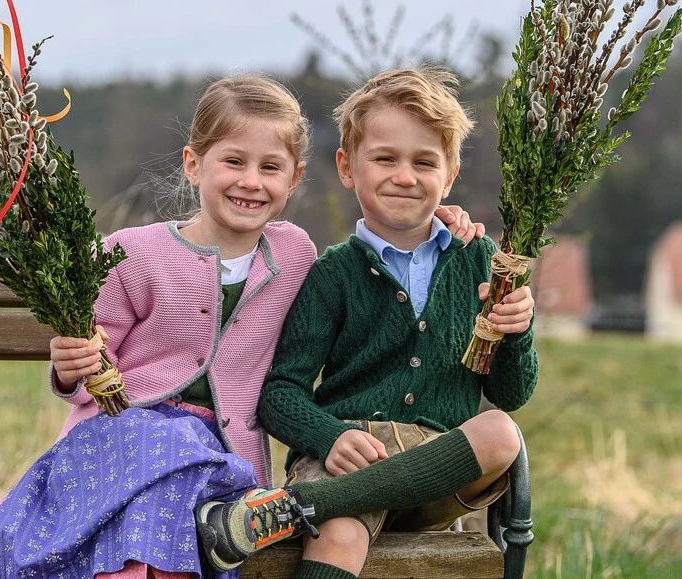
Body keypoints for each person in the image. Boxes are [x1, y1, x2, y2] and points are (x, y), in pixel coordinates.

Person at [0, 72, 488, 579]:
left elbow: (393, 237)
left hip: (227, 456)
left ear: (295, 178)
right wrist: (69, 368)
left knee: (193, 483)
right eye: (233, 162)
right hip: (124, 435)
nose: (251, 182)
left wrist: (441, 216)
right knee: (166, 452)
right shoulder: (129, 255)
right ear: (194, 164)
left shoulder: (294, 253)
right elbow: (88, 366)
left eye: (270, 167)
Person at [196, 67, 538, 579]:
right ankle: (324, 505)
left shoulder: (480, 261)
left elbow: (511, 391)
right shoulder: (333, 274)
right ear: (347, 167)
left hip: (438, 467)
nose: (404, 176)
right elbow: (280, 391)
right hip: (347, 453)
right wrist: (330, 437)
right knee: (339, 531)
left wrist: (517, 331)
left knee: (501, 431)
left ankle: (296, 510)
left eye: (424, 162)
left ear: (450, 173)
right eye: (384, 158)